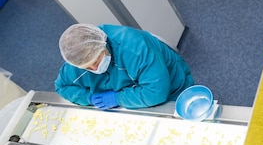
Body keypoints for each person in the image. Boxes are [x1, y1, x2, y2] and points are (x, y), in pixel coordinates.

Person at [55, 23, 194, 110]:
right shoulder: (76, 61)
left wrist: (118, 98)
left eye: (97, 61)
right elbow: (62, 87)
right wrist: (88, 98)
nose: (95, 69)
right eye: (88, 67)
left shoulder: (134, 48)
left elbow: (156, 92)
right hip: (133, 96)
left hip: (172, 88)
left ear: (103, 45)